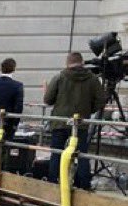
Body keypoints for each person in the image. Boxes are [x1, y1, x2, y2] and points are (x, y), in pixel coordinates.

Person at [45, 52, 106, 190]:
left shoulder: (59, 77)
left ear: (68, 63)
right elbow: (101, 100)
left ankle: (53, 183)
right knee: (82, 154)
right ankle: (84, 185)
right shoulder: (93, 79)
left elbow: (48, 100)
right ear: (82, 62)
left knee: (57, 154)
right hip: (80, 123)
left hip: (60, 121)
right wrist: (88, 111)